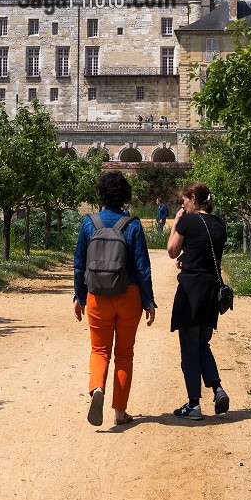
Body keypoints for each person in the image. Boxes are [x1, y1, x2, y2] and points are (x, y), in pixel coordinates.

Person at [73, 170, 157, 427]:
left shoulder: (89, 223)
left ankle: (97, 388)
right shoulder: (132, 225)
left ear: (101, 194)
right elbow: (142, 266)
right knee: (124, 354)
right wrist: (148, 300)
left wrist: (80, 296)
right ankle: (120, 412)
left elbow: (79, 264)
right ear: (125, 196)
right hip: (128, 294)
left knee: (99, 350)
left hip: (98, 295)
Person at [167, 181, 230, 420]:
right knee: (203, 343)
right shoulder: (219, 224)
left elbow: (172, 250)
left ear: (193, 198)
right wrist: (189, 256)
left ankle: (193, 404)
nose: (182, 204)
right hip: (212, 292)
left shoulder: (187, 220)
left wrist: (175, 223)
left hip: (191, 291)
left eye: (183, 200)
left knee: (189, 349)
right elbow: (203, 249)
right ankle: (218, 388)